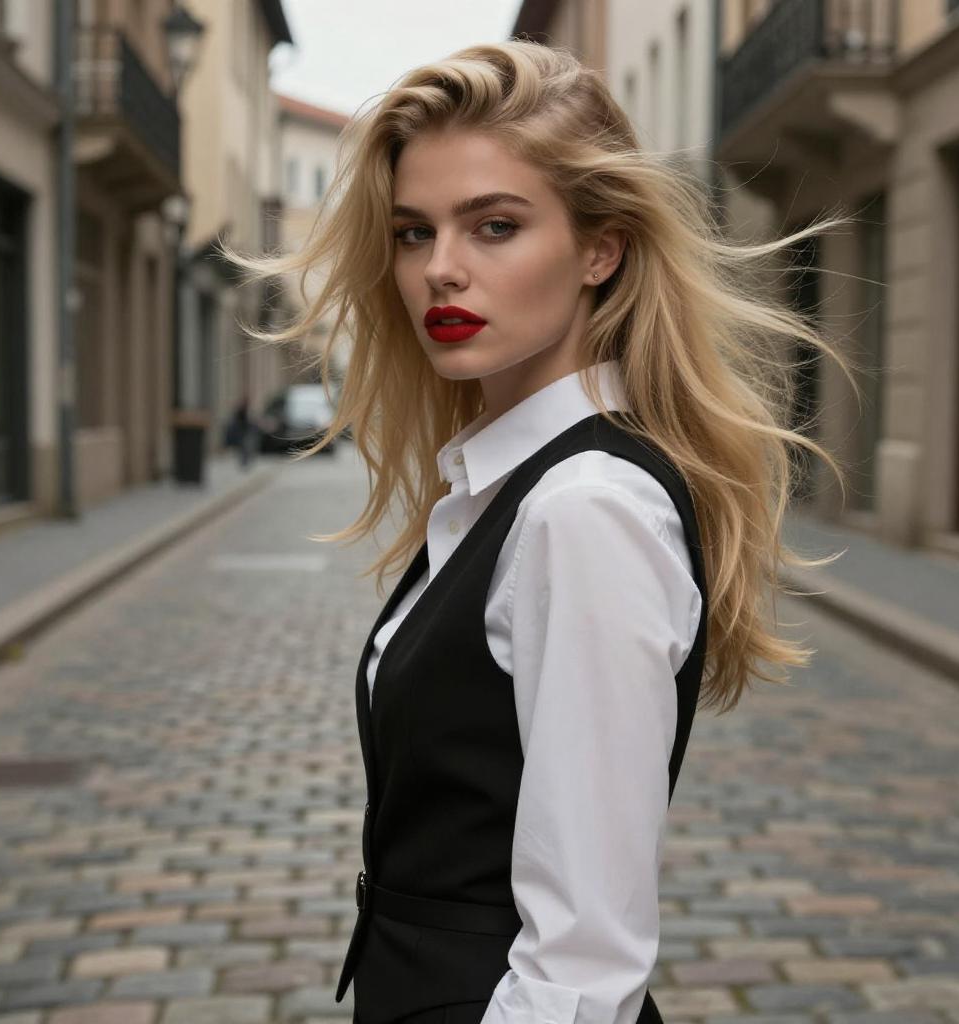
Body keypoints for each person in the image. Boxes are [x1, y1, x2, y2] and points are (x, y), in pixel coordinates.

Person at [219, 40, 859, 1024]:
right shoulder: (504, 485)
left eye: (495, 226)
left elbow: (584, 964)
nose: (442, 270)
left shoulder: (582, 506)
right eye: (411, 232)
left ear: (599, 248)